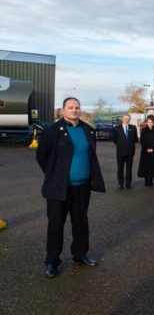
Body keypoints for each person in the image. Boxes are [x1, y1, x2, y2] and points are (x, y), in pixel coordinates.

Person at [36, 97, 105, 278]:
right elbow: (41, 156)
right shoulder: (52, 131)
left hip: (82, 187)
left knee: (81, 222)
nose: (74, 110)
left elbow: (90, 156)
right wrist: (55, 176)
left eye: (77, 107)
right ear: (62, 111)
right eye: (70, 107)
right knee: (56, 225)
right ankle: (52, 261)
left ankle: (80, 254)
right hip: (59, 188)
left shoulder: (88, 130)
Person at [111, 114, 138, 189]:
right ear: (122, 119)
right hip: (120, 152)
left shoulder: (133, 128)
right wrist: (121, 145)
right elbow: (114, 139)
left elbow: (135, 139)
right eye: (125, 119)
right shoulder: (117, 128)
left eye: (128, 119)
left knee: (129, 169)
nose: (127, 120)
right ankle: (120, 183)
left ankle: (128, 183)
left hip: (130, 152)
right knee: (120, 168)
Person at [138, 114, 154, 186]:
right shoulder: (144, 130)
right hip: (145, 151)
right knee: (145, 166)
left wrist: (152, 148)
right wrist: (147, 148)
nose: (149, 123)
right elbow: (142, 141)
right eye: (148, 122)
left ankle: (151, 180)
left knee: (152, 166)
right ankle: (146, 180)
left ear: (153, 122)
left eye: (151, 122)